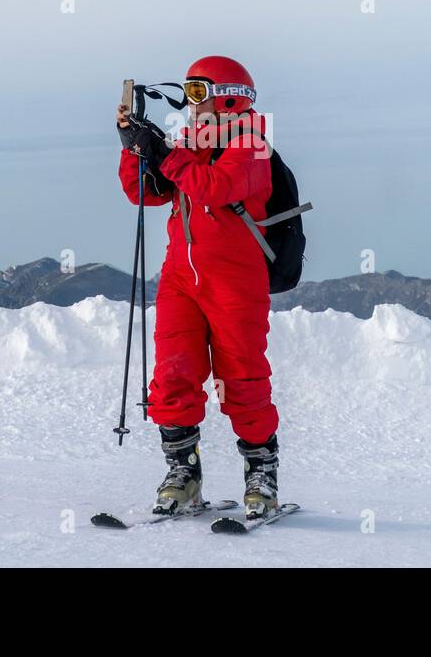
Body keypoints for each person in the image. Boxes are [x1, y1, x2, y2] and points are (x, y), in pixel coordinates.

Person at [116, 55, 280, 518]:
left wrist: (167, 153)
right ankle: (183, 474)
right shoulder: (190, 143)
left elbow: (213, 186)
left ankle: (261, 477)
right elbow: (144, 193)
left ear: (229, 96)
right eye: (187, 94)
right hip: (180, 279)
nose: (190, 106)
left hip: (234, 282)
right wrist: (135, 149)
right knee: (173, 374)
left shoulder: (251, 145)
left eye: (196, 94)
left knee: (242, 378)